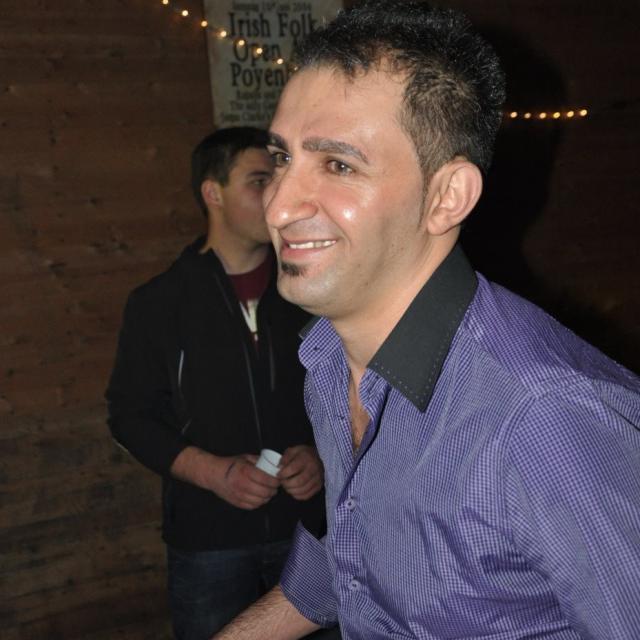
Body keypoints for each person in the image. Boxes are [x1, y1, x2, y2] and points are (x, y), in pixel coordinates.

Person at [213, 2, 640, 639]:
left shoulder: (546, 417)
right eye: (281, 158)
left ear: (447, 197)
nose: (277, 207)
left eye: (337, 165)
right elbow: (350, 560)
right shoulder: (328, 360)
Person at [106, 127, 327, 640]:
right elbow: (130, 417)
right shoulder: (159, 304)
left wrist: (322, 455)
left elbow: (355, 393)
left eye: (278, 178)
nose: (277, 194)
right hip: (210, 542)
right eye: (259, 181)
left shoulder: (313, 292)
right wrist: (213, 473)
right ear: (213, 193)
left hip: (310, 534)